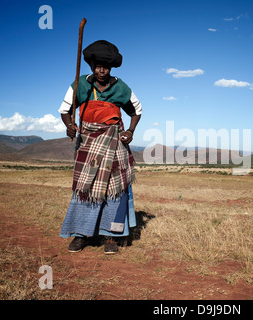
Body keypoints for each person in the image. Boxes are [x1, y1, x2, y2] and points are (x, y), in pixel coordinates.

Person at [58, 40, 142, 254]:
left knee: (115, 190)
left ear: (111, 67)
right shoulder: (80, 85)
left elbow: (137, 110)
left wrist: (130, 131)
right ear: (91, 66)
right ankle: (80, 234)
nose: (101, 70)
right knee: (85, 187)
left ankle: (111, 236)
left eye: (105, 66)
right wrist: (70, 126)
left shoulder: (121, 87)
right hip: (88, 143)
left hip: (114, 144)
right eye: (97, 66)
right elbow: (65, 110)